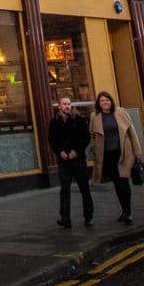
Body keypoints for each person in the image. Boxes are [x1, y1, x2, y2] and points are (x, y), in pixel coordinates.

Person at [86, 92, 144, 224]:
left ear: (111, 101)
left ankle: (128, 211)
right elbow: (91, 135)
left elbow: (132, 133)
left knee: (123, 181)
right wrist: (93, 146)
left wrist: (138, 153)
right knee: (117, 183)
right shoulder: (94, 116)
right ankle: (124, 211)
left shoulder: (120, 112)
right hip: (107, 155)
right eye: (102, 101)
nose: (105, 103)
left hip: (123, 153)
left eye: (107, 100)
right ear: (98, 103)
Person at [47, 96, 93, 227]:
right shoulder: (54, 122)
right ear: (59, 106)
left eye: (69, 104)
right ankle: (65, 218)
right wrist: (59, 151)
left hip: (78, 160)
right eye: (64, 104)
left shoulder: (79, 120)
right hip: (64, 161)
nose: (67, 106)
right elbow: (52, 140)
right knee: (64, 190)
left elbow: (85, 138)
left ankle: (88, 216)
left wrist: (76, 151)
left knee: (84, 189)